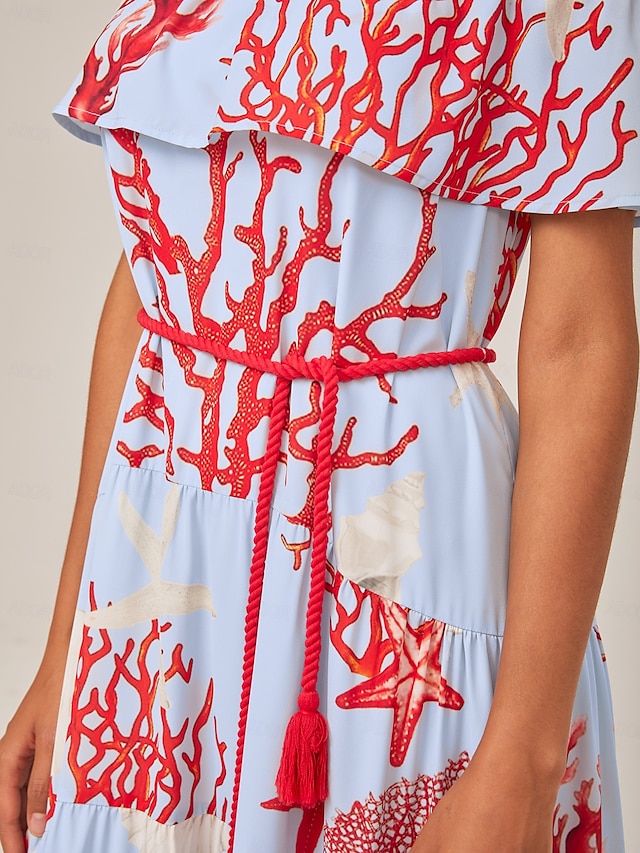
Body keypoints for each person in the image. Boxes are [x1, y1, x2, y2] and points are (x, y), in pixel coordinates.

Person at [0, 1, 638, 851]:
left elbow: (581, 342)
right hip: (161, 600)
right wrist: (69, 648)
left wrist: (524, 755)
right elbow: (161, 281)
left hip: (393, 569)